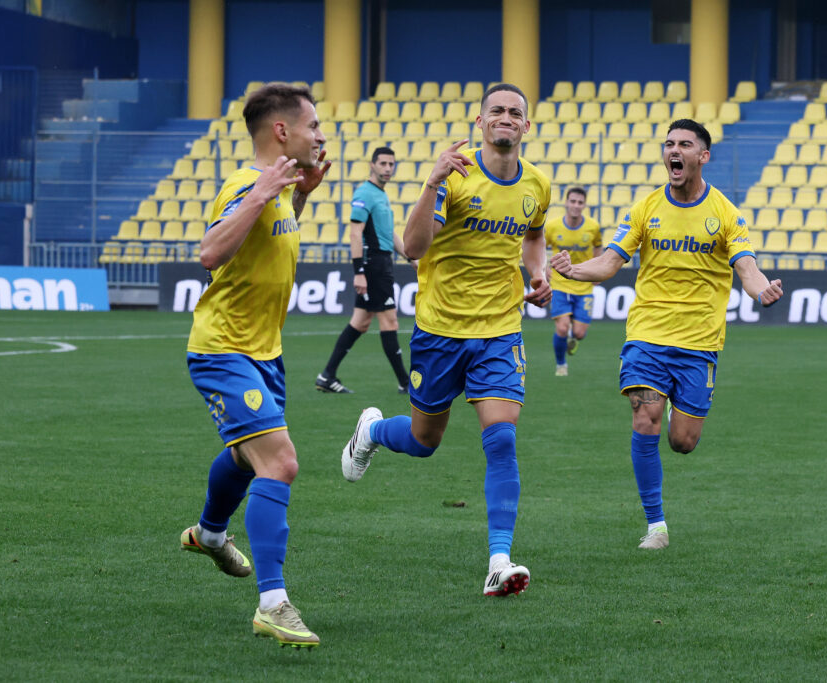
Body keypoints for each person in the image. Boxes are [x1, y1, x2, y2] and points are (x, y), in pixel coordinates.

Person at [340, 83, 552, 597]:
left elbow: (534, 235)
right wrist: (431, 182)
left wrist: (538, 273)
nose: (506, 117)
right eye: (496, 110)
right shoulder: (454, 176)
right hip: (439, 331)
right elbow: (413, 248)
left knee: (501, 438)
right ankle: (372, 432)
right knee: (423, 441)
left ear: (526, 126)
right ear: (480, 122)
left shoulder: (537, 185)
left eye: (515, 112)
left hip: (499, 331)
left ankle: (499, 560)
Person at [551, 119, 783, 550]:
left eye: (685, 144)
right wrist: (574, 270)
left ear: (703, 156)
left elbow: (747, 267)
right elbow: (610, 261)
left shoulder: (726, 214)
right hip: (648, 335)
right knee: (645, 419)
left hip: (699, 342)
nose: (674, 150)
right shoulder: (645, 208)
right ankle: (655, 525)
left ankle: (680, 409)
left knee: (683, 442)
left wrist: (760, 290)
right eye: (669, 143)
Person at [179, 83, 330, 647]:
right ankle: (273, 604)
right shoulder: (250, 184)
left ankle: (210, 535)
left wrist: (298, 197)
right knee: (280, 463)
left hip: (264, 351)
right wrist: (262, 194)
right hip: (224, 349)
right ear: (282, 131)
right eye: (313, 125)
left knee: (247, 457)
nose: (320, 135)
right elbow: (210, 253)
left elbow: (265, 240)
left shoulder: (281, 185)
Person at [315, 146, 415, 394]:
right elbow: (355, 233)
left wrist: (410, 257)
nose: (388, 168)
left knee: (360, 322)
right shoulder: (365, 193)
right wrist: (359, 272)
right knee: (389, 320)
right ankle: (405, 382)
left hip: (381, 263)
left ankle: (327, 376)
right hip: (373, 266)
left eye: (391, 164)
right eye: (383, 164)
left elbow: (388, 233)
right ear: (372, 165)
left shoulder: (380, 194)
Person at [544, 185, 603, 376]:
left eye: (580, 202)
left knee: (579, 333)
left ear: (584, 205)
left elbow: (598, 247)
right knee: (562, 328)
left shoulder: (593, 227)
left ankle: (573, 334)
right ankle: (561, 365)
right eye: (573, 201)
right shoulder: (552, 227)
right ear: (566, 203)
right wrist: (544, 267)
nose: (576, 205)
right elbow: (539, 245)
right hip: (559, 284)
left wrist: (597, 270)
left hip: (583, 284)